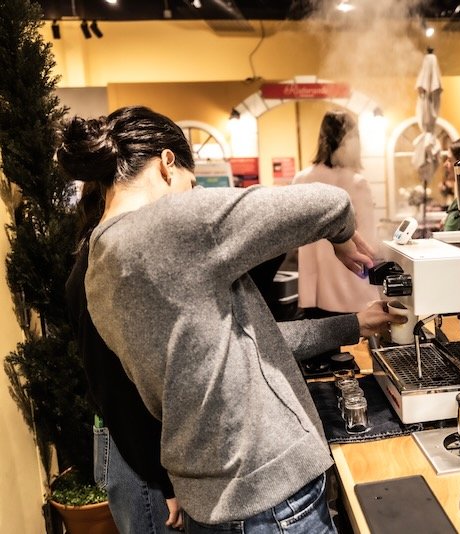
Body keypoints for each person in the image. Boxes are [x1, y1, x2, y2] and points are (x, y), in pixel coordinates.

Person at [57, 106, 402, 532]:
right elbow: (329, 202)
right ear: (167, 164)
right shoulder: (169, 226)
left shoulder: (97, 267)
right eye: (192, 182)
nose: (193, 192)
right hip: (273, 502)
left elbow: (241, 345)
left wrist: (353, 325)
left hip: (211, 505)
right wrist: (343, 235)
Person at [65, 182, 182, 533]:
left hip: (131, 446)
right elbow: (117, 387)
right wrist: (165, 481)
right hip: (140, 453)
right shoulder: (103, 265)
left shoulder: (94, 257)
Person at [293, 110, 380, 317]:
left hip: (314, 291)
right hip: (351, 290)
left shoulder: (301, 179)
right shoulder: (357, 182)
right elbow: (368, 242)